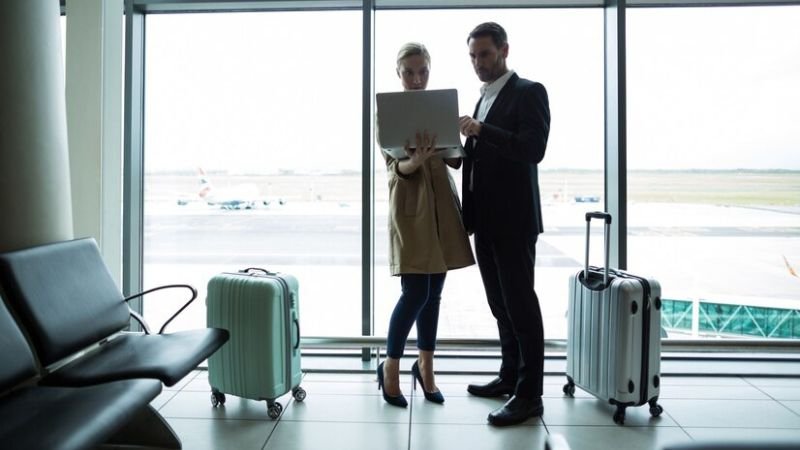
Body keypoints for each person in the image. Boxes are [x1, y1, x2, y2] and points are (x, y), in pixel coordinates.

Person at [458, 22, 551, 426]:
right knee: (500, 306)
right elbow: (480, 158)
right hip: (486, 221)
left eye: (485, 54)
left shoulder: (529, 92)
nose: (478, 63)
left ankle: (530, 396)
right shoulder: (483, 100)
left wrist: (482, 129)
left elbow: (533, 149)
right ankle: (510, 375)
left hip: (514, 222)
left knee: (521, 306)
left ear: (504, 51)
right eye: (473, 56)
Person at [376, 42, 475, 408]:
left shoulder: (438, 108)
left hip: (442, 211)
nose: (417, 79)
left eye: (422, 72)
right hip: (410, 209)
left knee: (434, 294)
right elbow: (394, 167)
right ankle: (390, 370)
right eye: (409, 73)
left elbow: (454, 163)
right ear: (398, 74)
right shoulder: (387, 112)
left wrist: (453, 138)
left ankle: (426, 368)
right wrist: (414, 162)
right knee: (415, 293)